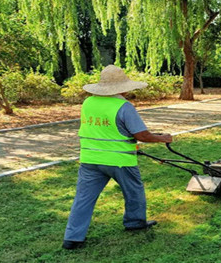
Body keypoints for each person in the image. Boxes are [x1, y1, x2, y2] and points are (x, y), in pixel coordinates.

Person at [62, 65, 172, 250]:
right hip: (120, 161)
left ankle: (72, 238)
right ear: (122, 87)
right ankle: (135, 222)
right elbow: (142, 135)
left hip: (90, 159)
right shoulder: (124, 106)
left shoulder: (88, 103)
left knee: (83, 198)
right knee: (134, 192)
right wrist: (164, 138)